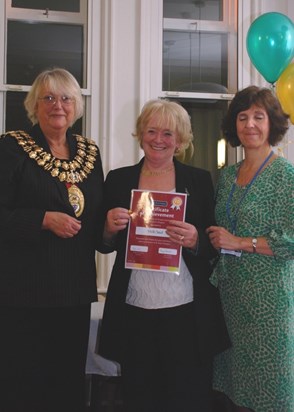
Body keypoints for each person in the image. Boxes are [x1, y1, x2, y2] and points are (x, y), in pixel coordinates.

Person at [98, 99, 230, 412]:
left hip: (186, 309)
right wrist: (107, 227)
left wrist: (196, 238)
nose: (159, 139)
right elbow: (102, 243)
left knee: (187, 397)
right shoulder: (118, 179)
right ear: (140, 134)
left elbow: (211, 245)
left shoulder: (198, 180)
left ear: (181, 140)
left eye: (168, 133)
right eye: (152, 131)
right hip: (135, 307)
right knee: (139, 396)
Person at [0, 68, 105, 412]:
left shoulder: (90, 152)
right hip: (25, 291)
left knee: (67, 384)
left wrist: (114, 226)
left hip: (74, 289)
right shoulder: (13, 146)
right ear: (34, 105)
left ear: (76, 105)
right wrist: (42, 220)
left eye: (65, 98)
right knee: (25, 383)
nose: (57, 105)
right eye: (48, 98)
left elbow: (94, 221)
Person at [207, 86, 294, 412]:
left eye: (259, 116)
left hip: (268, 303)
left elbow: (292, 241)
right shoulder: (227, 176)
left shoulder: (285, 175)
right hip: (230, 300)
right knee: (234, 394)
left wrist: (240, 242)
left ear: (272, 123)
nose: (250, 124)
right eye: (242, 117)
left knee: (271, 391)